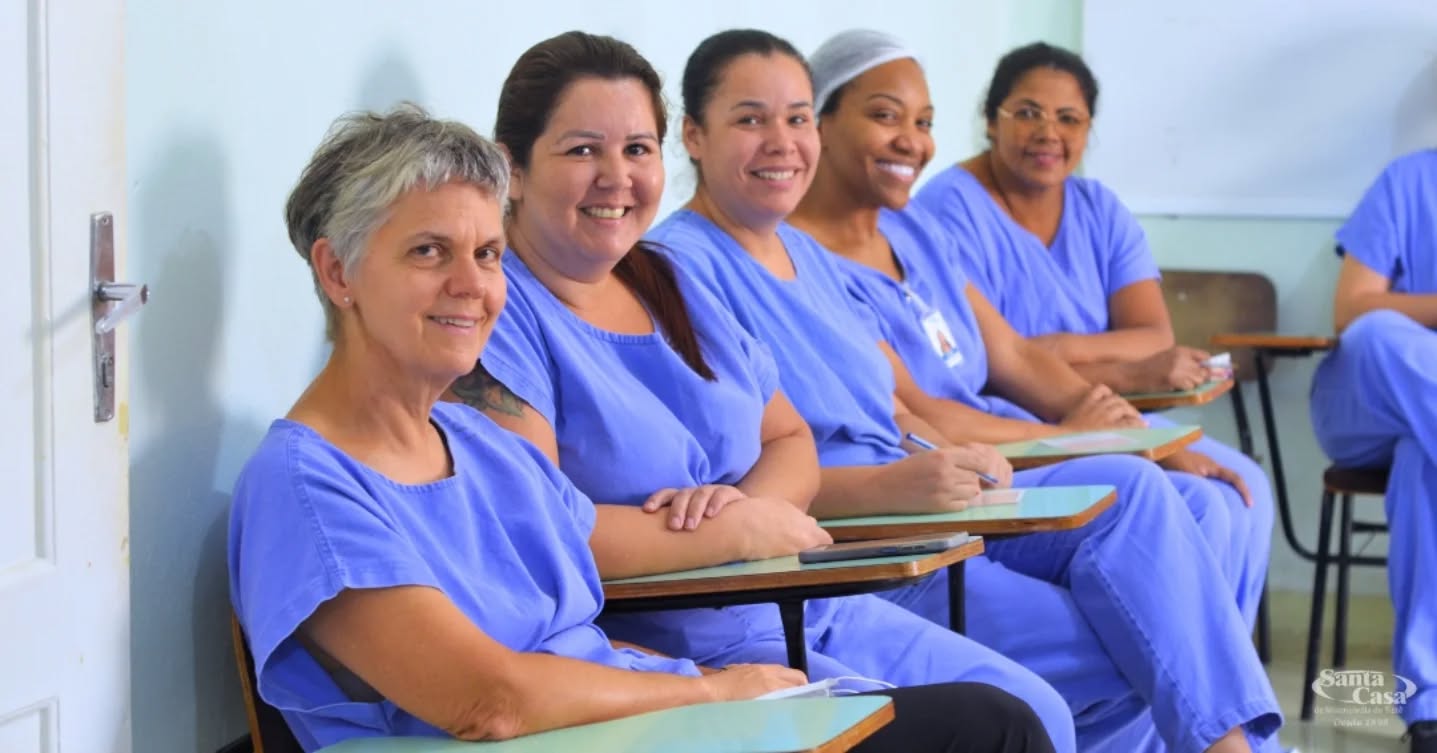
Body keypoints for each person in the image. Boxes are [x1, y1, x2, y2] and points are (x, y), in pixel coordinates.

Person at [225, 103, 1046, 753]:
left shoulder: (477, 444)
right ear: (337, 272)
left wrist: (744, 547)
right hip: (601, 732)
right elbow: (487, 700)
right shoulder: (308, 485)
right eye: (429, 252)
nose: (470, 285)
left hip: (647, 721)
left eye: (485, 254)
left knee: (990, 716)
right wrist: (708, 691)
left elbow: (588, 608)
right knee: (992, 731)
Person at [646, 27, 1283, 753]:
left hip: (925, 494)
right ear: (693, 134)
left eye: (794, 118)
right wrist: (905, 478)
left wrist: (959, 454)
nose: (781, 141)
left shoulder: (805, 254)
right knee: (1146, 640)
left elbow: (895, 405)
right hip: (862, 546)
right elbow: (745, 477)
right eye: (749, 119)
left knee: (1137, 495)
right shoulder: (679, 271)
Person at [451, 29, 1059, 753]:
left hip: (801, 595)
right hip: (675, 645)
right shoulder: (498, 313)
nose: (617, 176)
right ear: (512, 167)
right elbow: (541, 531)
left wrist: (752, 505)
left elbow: (787, 436)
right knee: (996, 731)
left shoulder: (668, 280)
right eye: (583, 150)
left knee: (1036, 707)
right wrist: (730, 531)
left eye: (637, 150)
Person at [787, 33, 1260, 624]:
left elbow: (1011, 352)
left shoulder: (913, 230)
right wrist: (1084, 437)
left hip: (1016, 437)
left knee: (1219, 494)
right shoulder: (812, 255)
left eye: (924, 120)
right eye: (885, 115)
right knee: (1147, 524)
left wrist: (1138, 438)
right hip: (955, 465)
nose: (911, 139)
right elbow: (913, 410)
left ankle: (1199, 704)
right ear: (820, 123)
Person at [1308, 149, 1437, 752]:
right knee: (1379, 332)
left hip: (1421, 432)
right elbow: (1352, 308)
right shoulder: (1409, 179)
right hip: (1366, 403)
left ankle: (1429, 713)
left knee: (1422, 458)